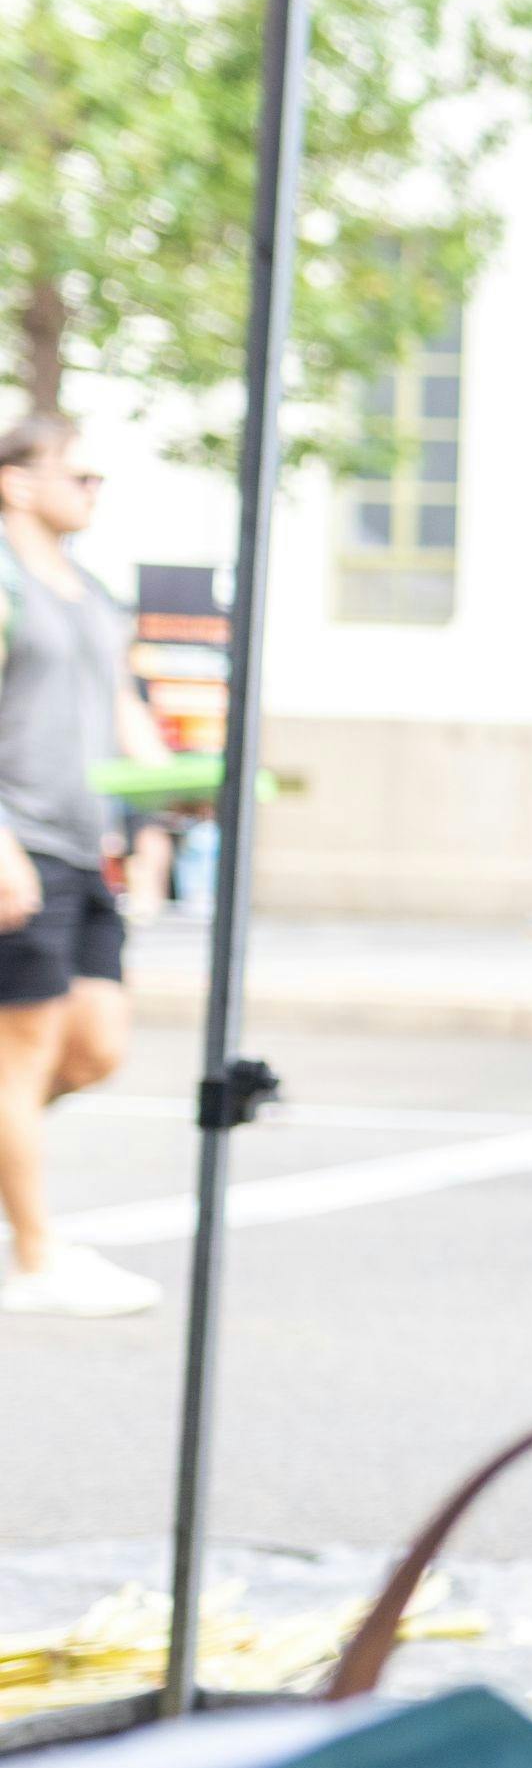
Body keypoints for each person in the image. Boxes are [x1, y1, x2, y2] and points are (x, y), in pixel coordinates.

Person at [0, 416, 168, 1320]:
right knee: (16, 1062)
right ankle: (35, 1257)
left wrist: (170, 803)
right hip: (17, 847)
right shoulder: (4, 580)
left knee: (96, 1046)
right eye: (80, 475)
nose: (94, 490)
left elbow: (125, 718)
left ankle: (18, 1196)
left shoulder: (96, 596)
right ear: (16, 482)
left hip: (81, 848)